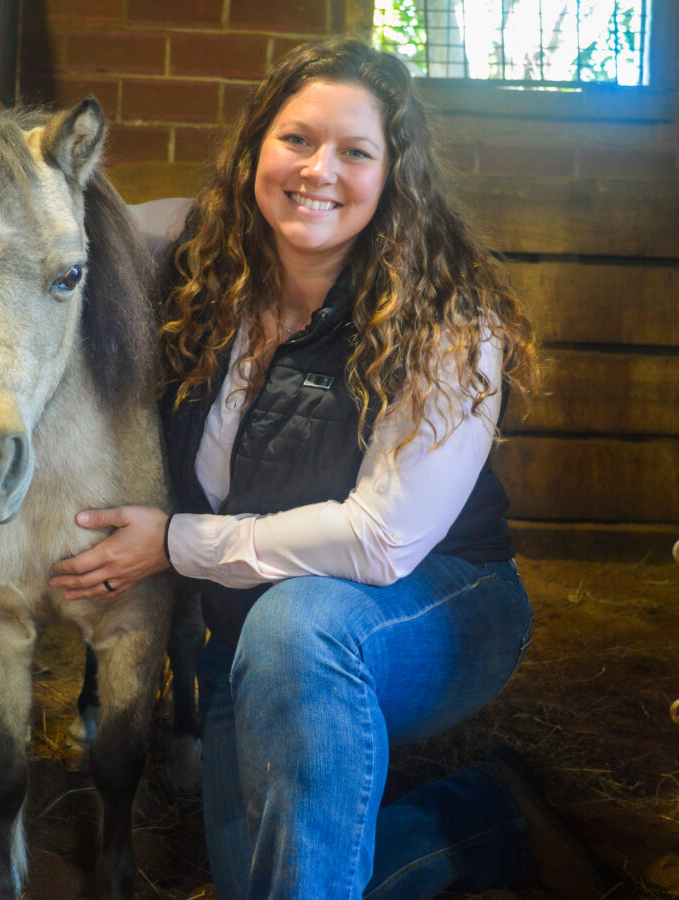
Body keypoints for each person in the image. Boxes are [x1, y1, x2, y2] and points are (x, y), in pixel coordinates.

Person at [50, 37, 604, 900]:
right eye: (296, 140)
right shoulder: (200, 269)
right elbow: (82, 227)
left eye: (356, 151)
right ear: (256, 150)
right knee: (279, 880)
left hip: (438, 603)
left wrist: (174, 543)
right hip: (256, 646)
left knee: (302, 626)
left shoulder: (449, 323)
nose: (319, 171)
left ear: (392, 177)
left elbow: (380, 543)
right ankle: (488, 814)